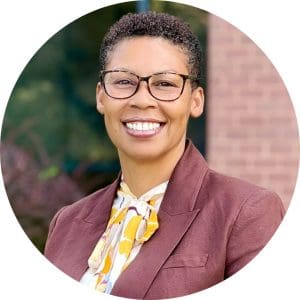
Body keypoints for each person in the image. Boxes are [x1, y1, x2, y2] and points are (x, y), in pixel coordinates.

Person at [44, 11, 285, 299]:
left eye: (165, 83)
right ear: (101, 97)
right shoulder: (66, 223)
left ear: (195, 101)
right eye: (123, 81)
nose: (142, 99)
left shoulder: (246, 212)